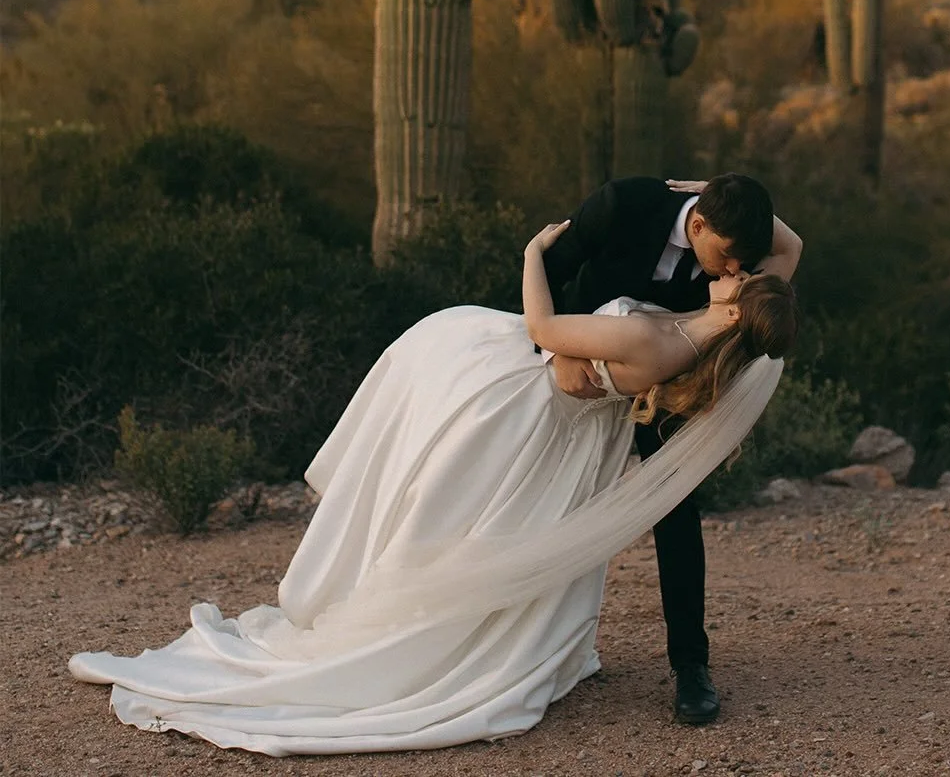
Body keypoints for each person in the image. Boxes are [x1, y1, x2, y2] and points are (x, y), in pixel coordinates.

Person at [68, 215, 799, 756]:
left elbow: (544, 329)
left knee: (450, 513)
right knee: (486, 522)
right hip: (574, 436)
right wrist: (696, 195)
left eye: (740, 272)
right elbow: (788, 249)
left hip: (530, 412)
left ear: (737, 306)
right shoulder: (727, 341)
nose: (737, 264)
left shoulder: (659, 339)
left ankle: (404, 631)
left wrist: (533, 251)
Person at [542, 173, 803, 723]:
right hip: (584, 358)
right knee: (548, 498)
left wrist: (715, 186)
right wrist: (556, 352)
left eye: (743, 263)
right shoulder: (621, 206)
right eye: (729, 256)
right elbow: (548, 267)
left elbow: (791, 245)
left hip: (667, 379)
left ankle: (691, 667)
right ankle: (533, 651)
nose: (736, 272)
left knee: (678, 508)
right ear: (699, 223)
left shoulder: (736, 256)